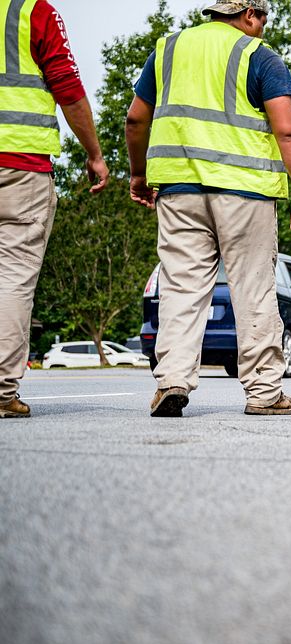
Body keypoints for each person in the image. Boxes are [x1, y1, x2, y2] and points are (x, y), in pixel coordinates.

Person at [125, 0, 291, 418]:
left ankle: (172, 379)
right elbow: (288, 130)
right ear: (249, 13)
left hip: (178, 191)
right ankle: (264, 393)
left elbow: (136, 120)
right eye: (263, 17)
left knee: (180, 288)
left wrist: (138, 174)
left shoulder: (167, 50)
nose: (263, 26)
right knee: (253, 288)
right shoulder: (259, 57)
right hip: (244, 191)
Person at [0, 0, 109, 419]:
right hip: (20, 164)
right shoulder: (33, 12)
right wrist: (94, 153)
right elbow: (66, 84)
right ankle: (1, 389)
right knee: (12, 277)